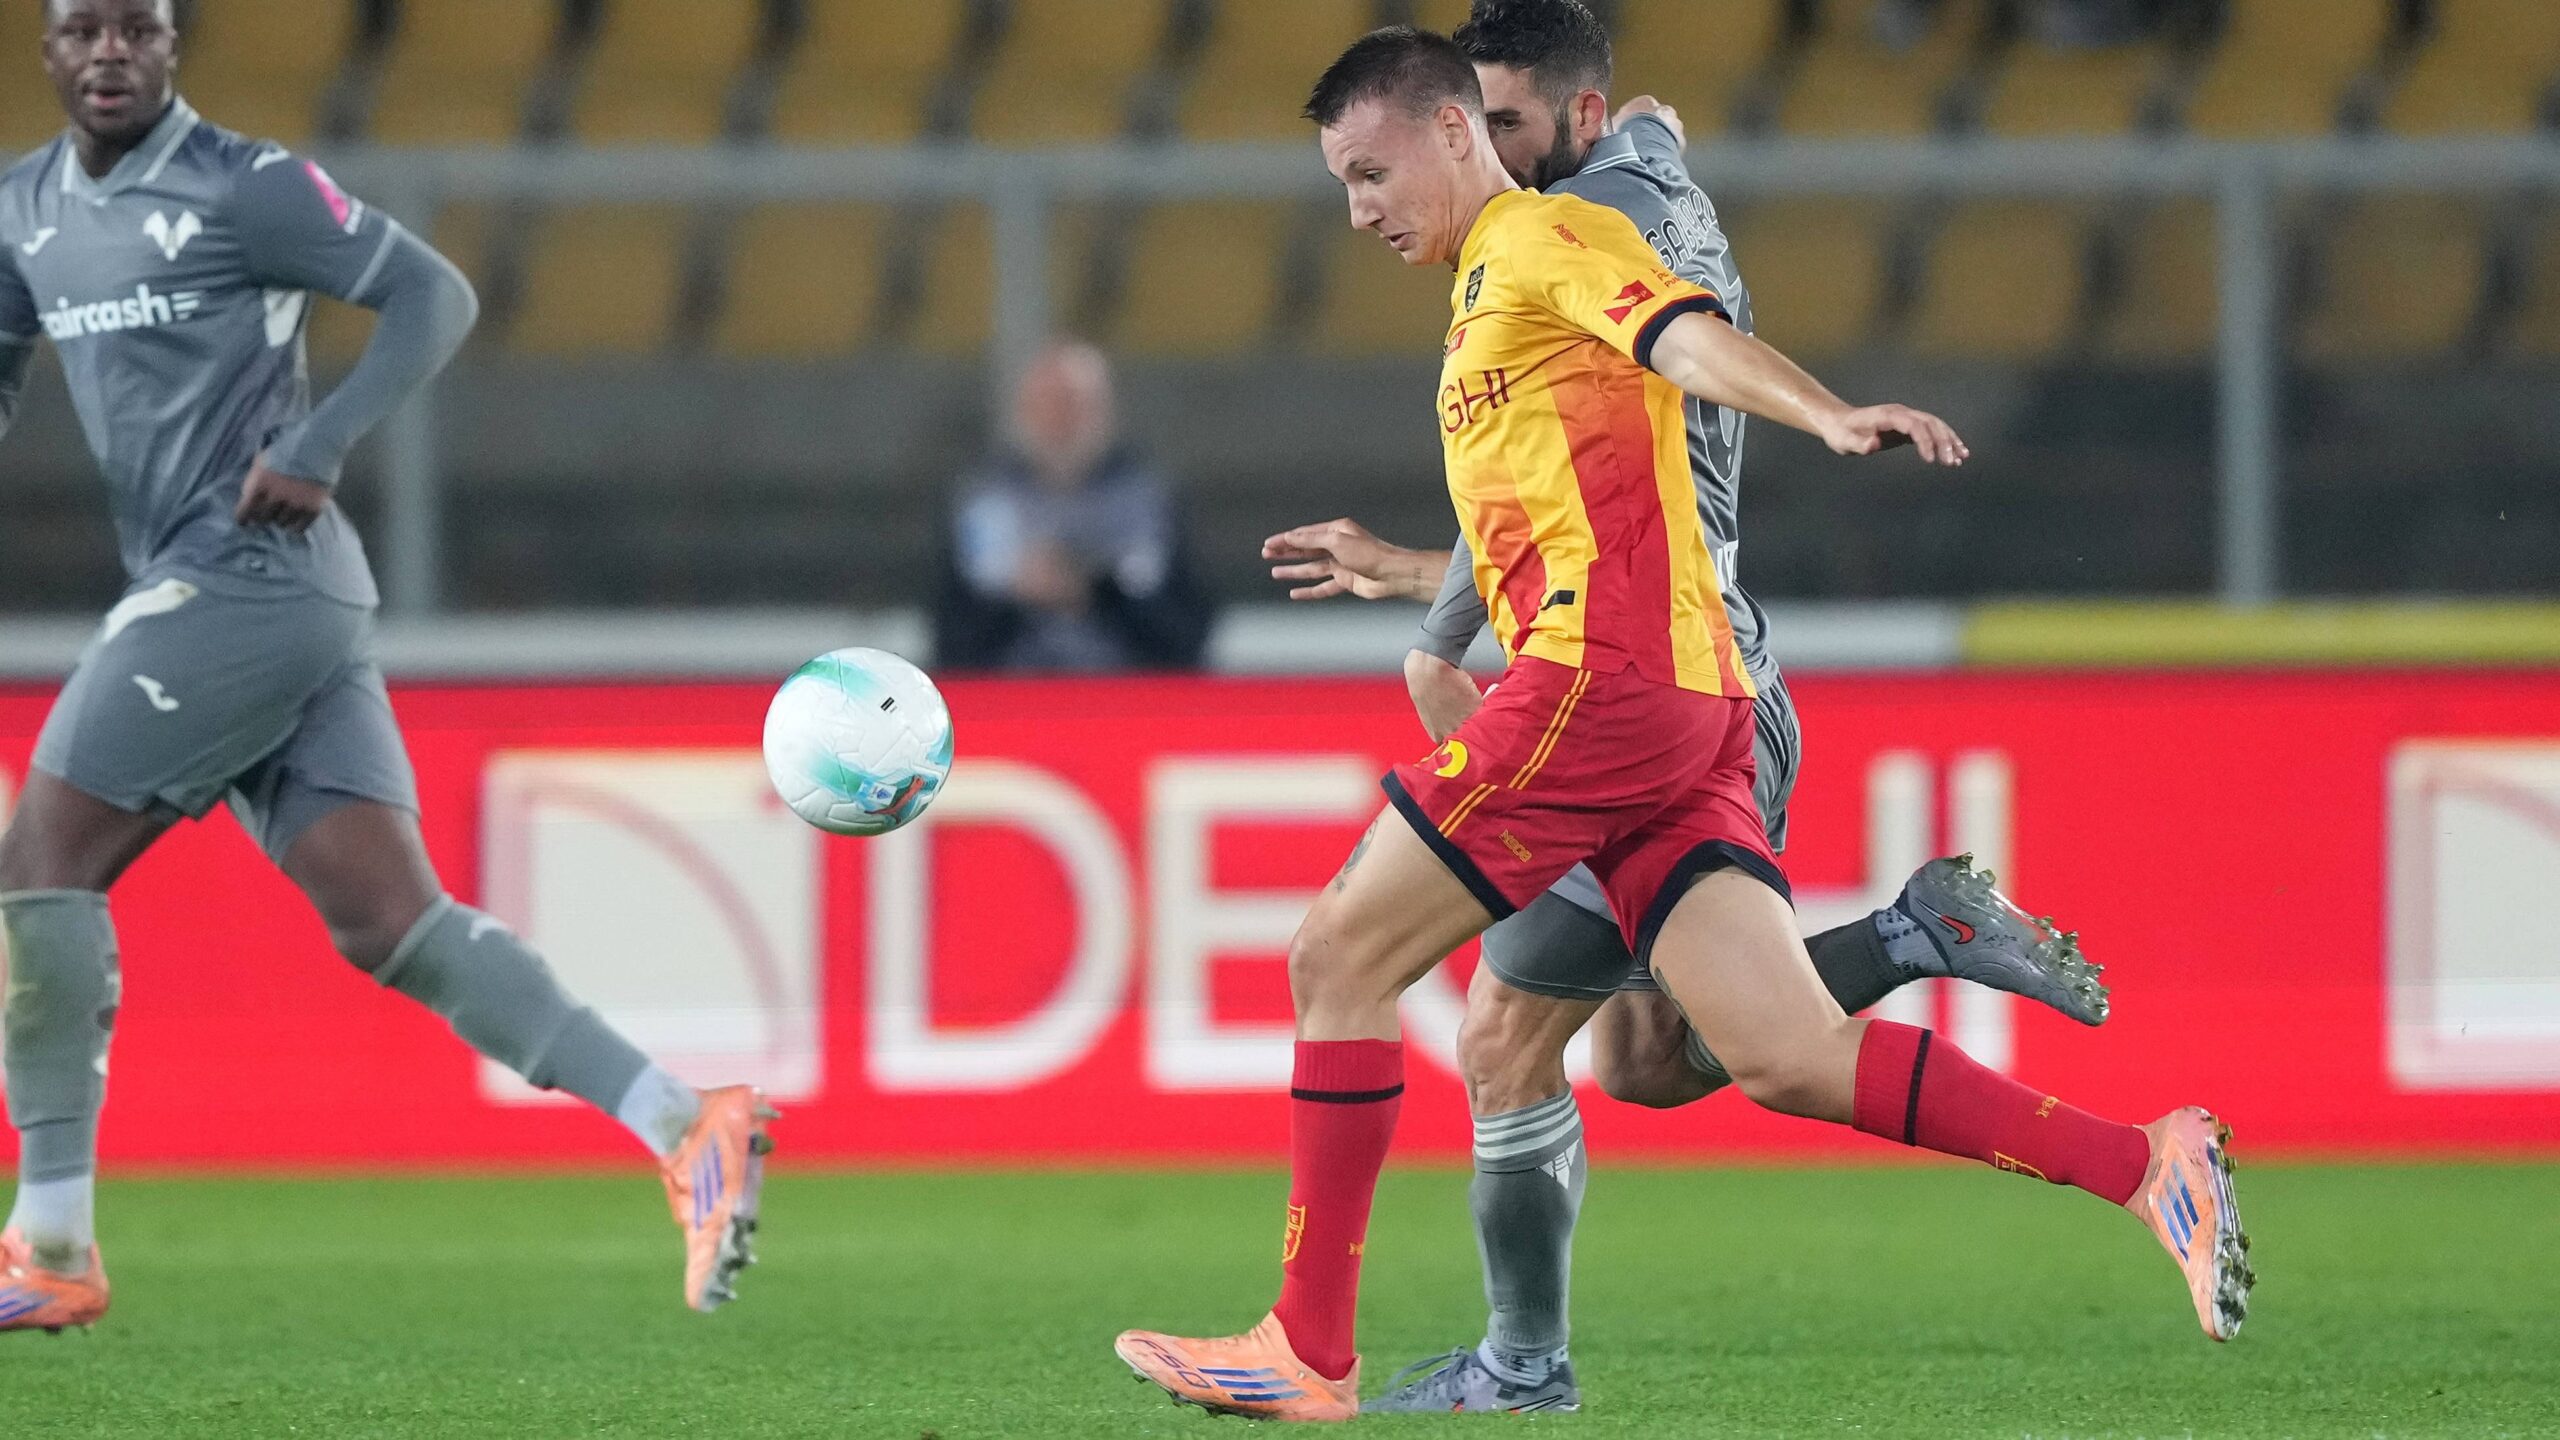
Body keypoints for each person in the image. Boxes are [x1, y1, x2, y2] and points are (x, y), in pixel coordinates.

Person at [1114, 28, 2248, 1422]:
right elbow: (1562, 486)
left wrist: (1826, 414)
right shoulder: (1495, 284)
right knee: (1780, 1053)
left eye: (1370, 172)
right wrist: (1426, 606)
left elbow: (1685, 336)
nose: (1357, 212)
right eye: (1341, 185)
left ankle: (1309, 1348)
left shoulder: (1542, 239)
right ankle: (2144, 1163)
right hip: (1686, 703)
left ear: (1456, 130)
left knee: (1336, 956)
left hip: (1600, 685)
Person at [0, 0, 771, 1332]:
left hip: (244, 575)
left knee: (39, 864)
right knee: (391, 924)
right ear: (49, 48)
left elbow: (434, 293)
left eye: (138, 28)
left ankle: (51, 1243)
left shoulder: (246, 186)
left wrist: (322, 441)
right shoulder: (22, 210)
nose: (110, 51)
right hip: (269, 599)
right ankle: (682, 1119)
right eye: (83, 30)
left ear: (173, 45)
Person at [934, 339, 1214, 671]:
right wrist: (1018, 594)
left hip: (1126, 685)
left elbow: (1184, 623)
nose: (1058, 420)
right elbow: (951, 629)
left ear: (1103, 410)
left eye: (1071, 403)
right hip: (1011, 685)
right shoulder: (982, 501)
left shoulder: (1148, 500)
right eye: (1045, 404)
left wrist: (1093, 589)